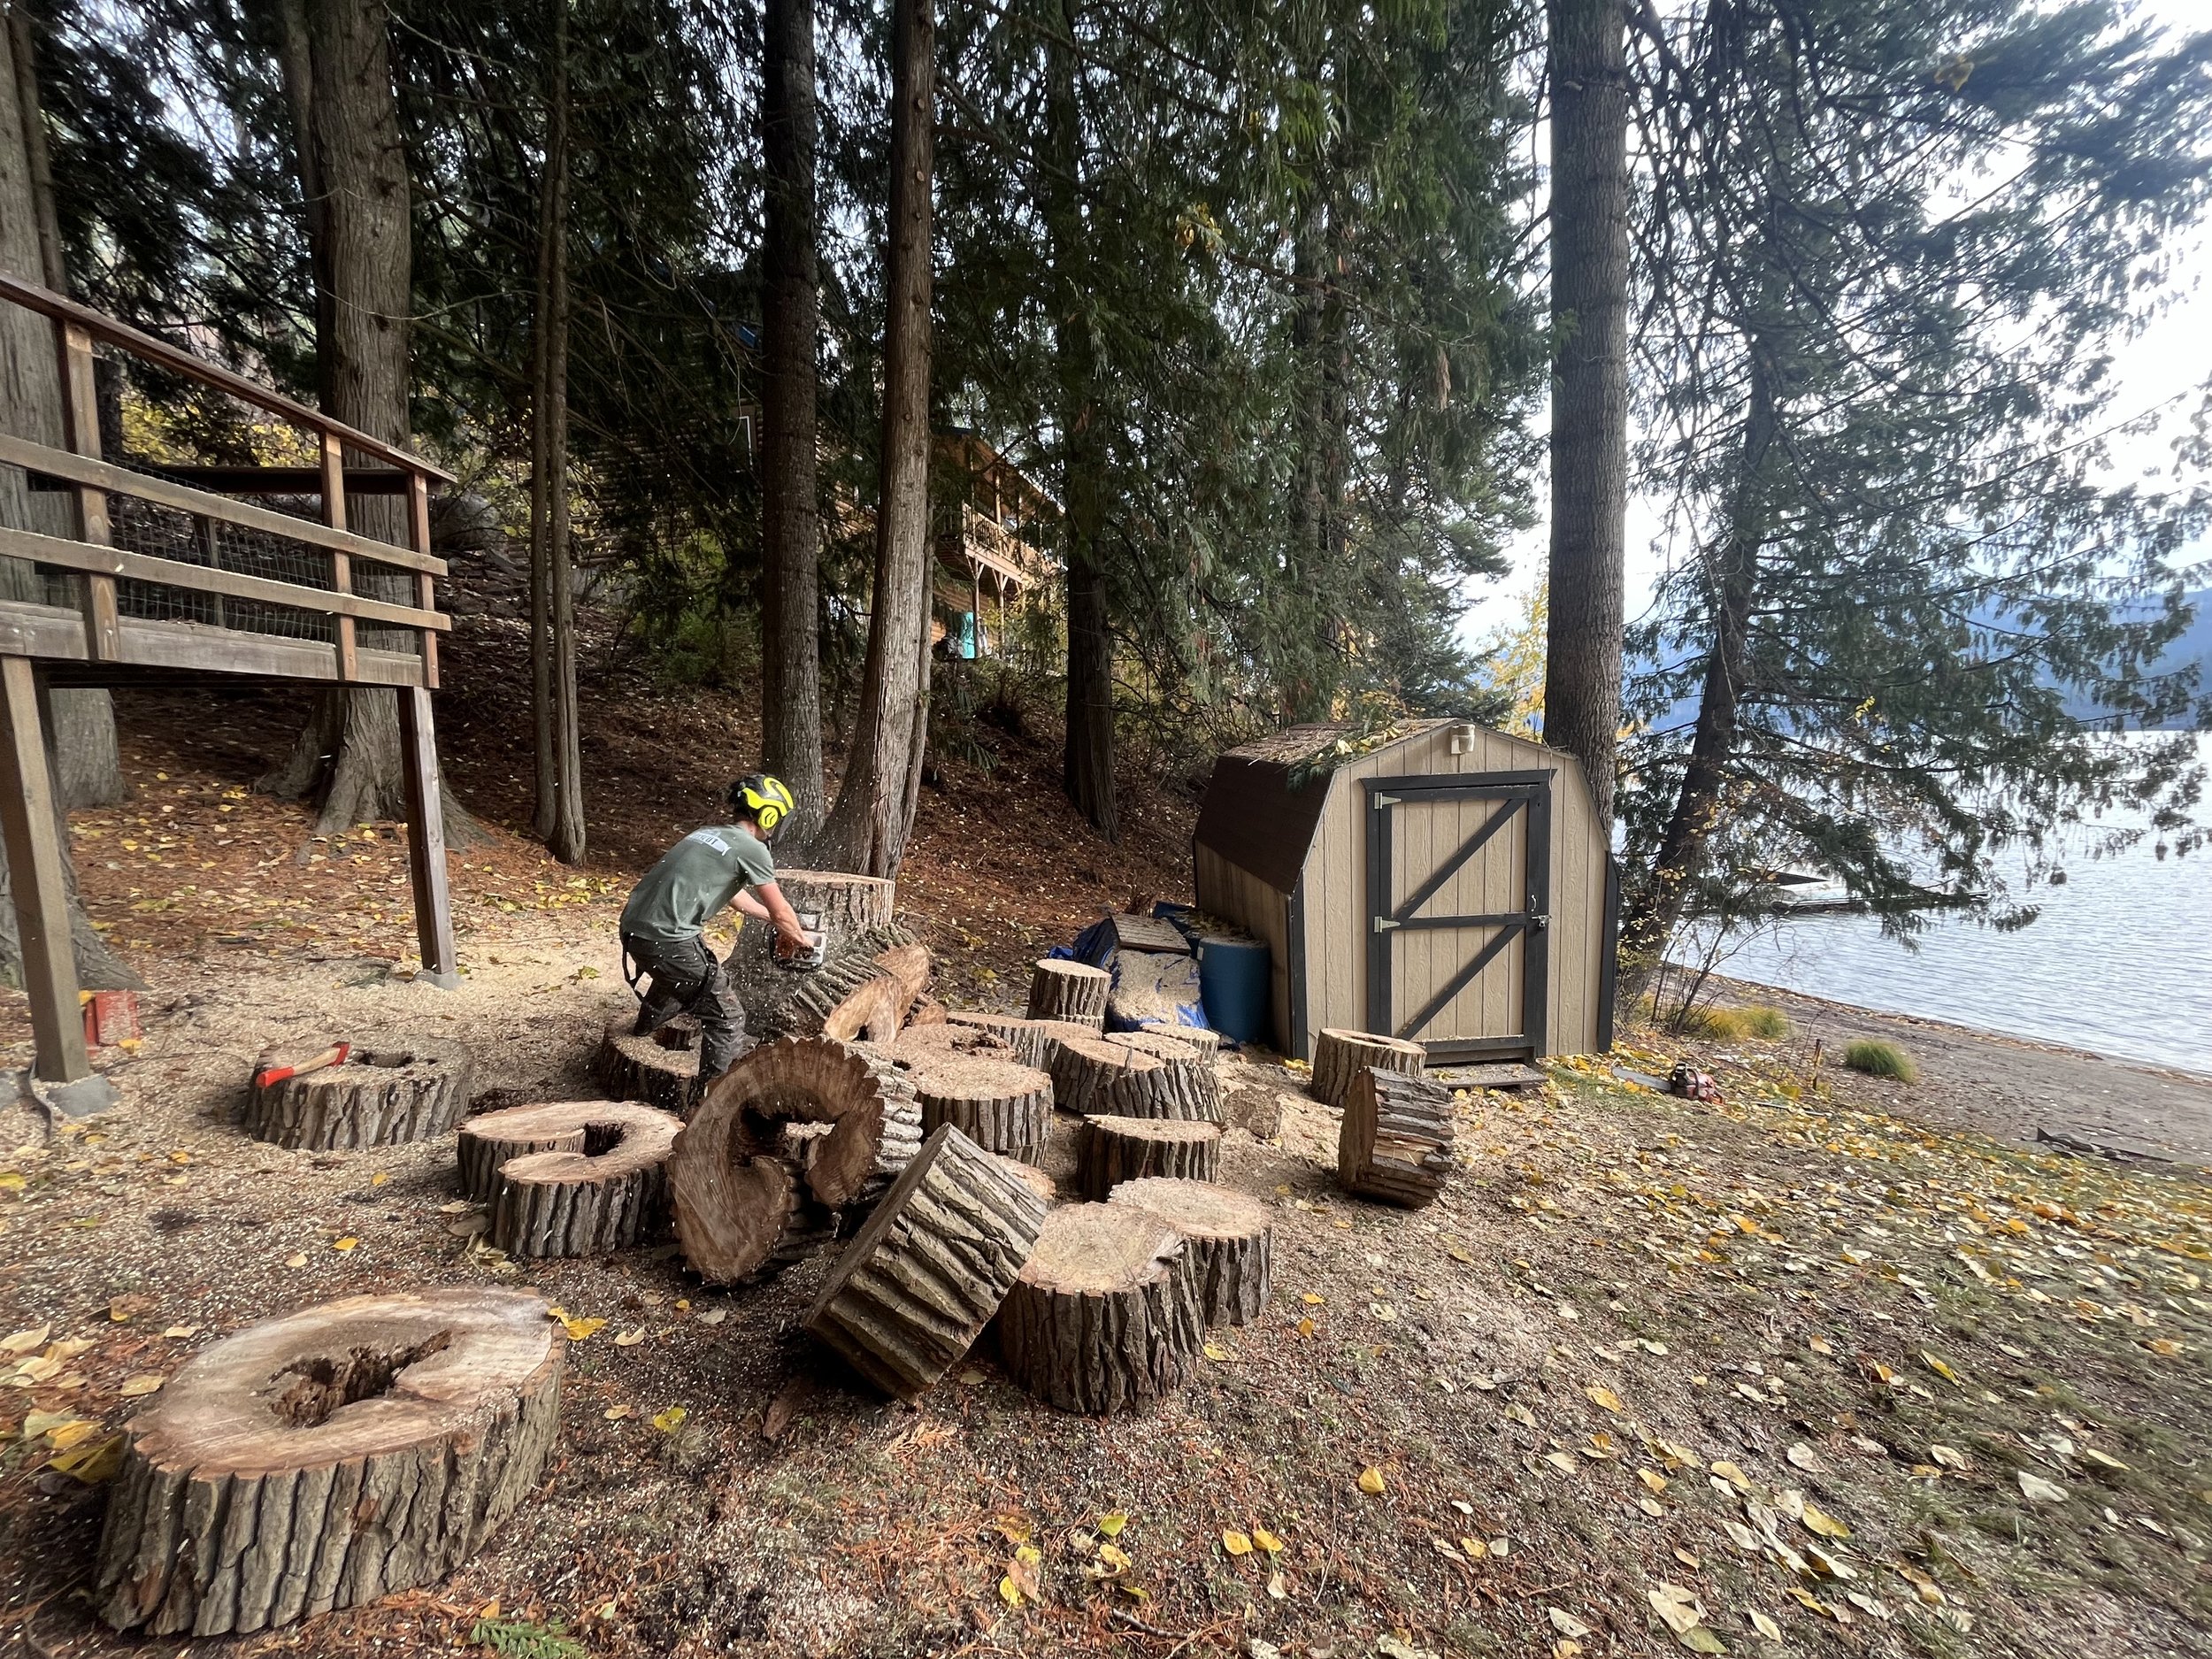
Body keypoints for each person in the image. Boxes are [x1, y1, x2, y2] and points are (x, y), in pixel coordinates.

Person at [618, 773, 817, 1081]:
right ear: (768, 813)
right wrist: (803, 939)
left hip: (636, 932)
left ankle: (643, 1030)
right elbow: (782, 910)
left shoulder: (708, 835)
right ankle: (709, 1106)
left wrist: (775, 921)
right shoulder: (754, 849)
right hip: (666, 941)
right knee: (728, 1017)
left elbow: (737, 899)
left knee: (684, 973)